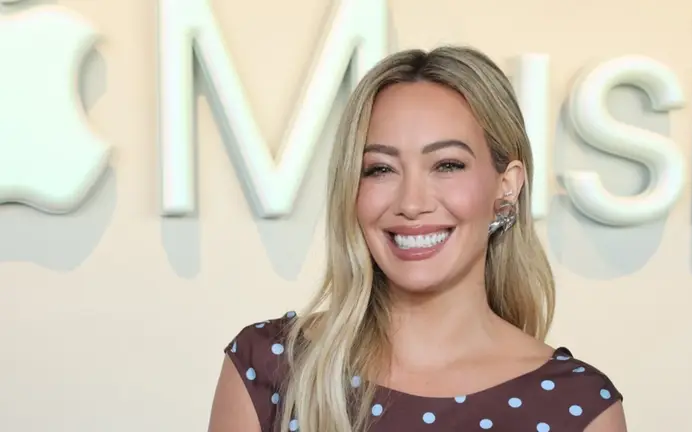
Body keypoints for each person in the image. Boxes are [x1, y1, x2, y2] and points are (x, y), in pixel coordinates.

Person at [208, 46, 627, 432]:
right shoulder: (269, 367)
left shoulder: (577, 406)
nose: (411, 203)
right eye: (381, 169)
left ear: (507, 186)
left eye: (447, 165)